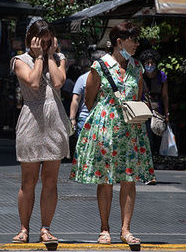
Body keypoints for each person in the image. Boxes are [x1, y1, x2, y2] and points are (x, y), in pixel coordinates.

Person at [70, 22, 155, 246]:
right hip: (105, 129)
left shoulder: (137, 66)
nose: (137, 44)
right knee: (105, 180)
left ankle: (126, 230)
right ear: (119, 42)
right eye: (133, 40)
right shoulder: (100, 66)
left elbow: (137, 96)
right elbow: (89, 100)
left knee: (129, 179)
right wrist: (106, 115)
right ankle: (104, 228)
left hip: (130, 129)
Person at [10, 18, 69, 245]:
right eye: (40, 42)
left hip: (55, 121)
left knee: (51, 179)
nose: (44, 45)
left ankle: (46, 228)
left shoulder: (59, 58)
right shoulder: (19, 60)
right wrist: (38, 58)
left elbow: (57, 82)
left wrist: (50, 57)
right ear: (31, 40)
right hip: (31, 121)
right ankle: (24, 229)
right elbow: (34, 83)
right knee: (29, 180)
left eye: (48, 41)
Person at [139, 49, 170, 185]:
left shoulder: (162, 76)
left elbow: (165, 96)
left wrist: (167, 114)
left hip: (158, 113)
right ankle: (148, 174)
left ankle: (146, 171)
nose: (149, 65)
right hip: (144, 113)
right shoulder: (140, 76)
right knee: (148, 143)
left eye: (152, 62)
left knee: (155, 144)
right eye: (147, 62)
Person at [69, 50, 106, 155]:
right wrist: (72, 118)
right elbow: (75, 99)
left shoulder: (109, 78)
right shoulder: (83, 79)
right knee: (84, 149)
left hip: (103, 118)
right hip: (85, 118)